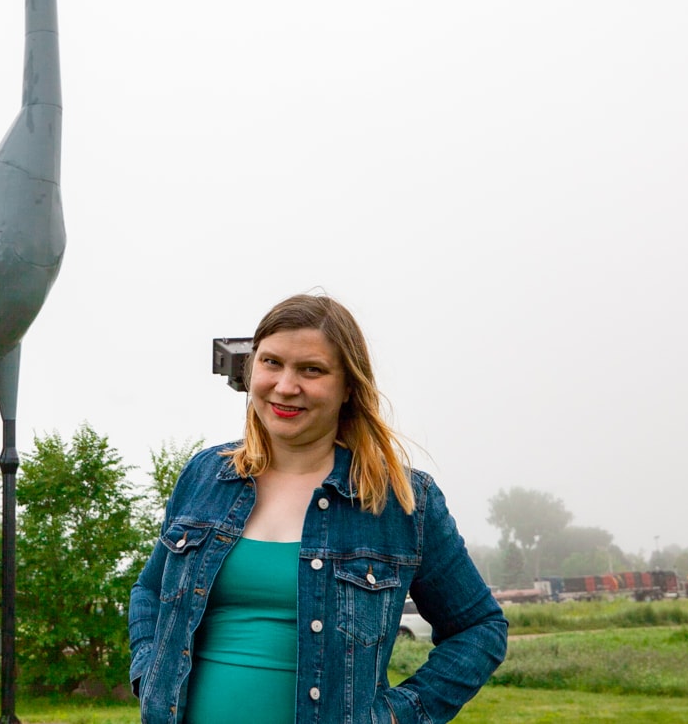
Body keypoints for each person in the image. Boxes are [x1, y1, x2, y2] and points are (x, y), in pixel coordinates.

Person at [129, 294, 506, 724]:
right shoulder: (205, 476)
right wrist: (149, 674)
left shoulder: (402, 501)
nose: (286, 386)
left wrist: (398, 715)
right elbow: (150, 591)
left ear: (348, 387)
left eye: (312, 370)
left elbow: (480, 629)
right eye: (271, 363)